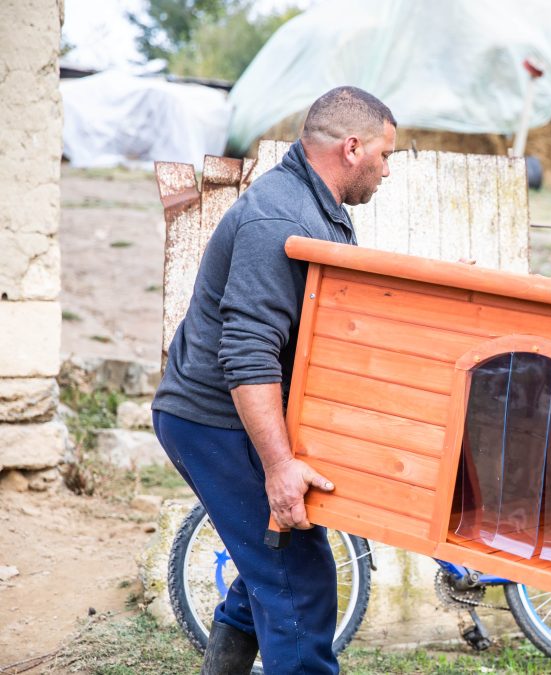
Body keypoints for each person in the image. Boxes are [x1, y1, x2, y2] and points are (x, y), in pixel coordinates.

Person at [152, 86, 397, 674]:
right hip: (214, 419)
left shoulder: (315, 207)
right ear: (353, 147)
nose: (388, 171)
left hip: (235, 413)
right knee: (299, 586)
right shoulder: (280, 217)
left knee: (274, 565)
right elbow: (248, 351)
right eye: (387, 155)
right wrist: (280, 466)